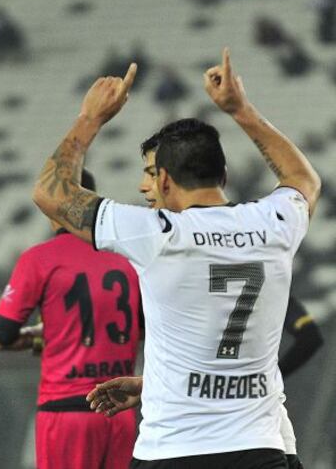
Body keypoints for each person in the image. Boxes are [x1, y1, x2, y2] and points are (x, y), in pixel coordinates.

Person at [32, 48, 321, 469]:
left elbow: (49, 193)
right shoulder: (274, 223)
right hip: (260, 450)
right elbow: (303, 179)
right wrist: (240, 110)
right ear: (222, 176)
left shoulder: (157, 235)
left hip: (172, 451)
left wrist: (90, 117)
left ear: (164, 180)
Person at [88, 126, 324, 469]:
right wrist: (156, 384)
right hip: (262, 440)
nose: (145, 187)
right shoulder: (259, 236)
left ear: (168, 178)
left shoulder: (164, 244)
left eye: (153, 174)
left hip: (191, 445)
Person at [0, 168, 142, 469]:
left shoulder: (40, 258)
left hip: (66, 412)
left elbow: (2, 334)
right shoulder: (128, 257)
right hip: (120, 412)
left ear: (53, 204)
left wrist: (40, 337)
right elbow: (146, 327)